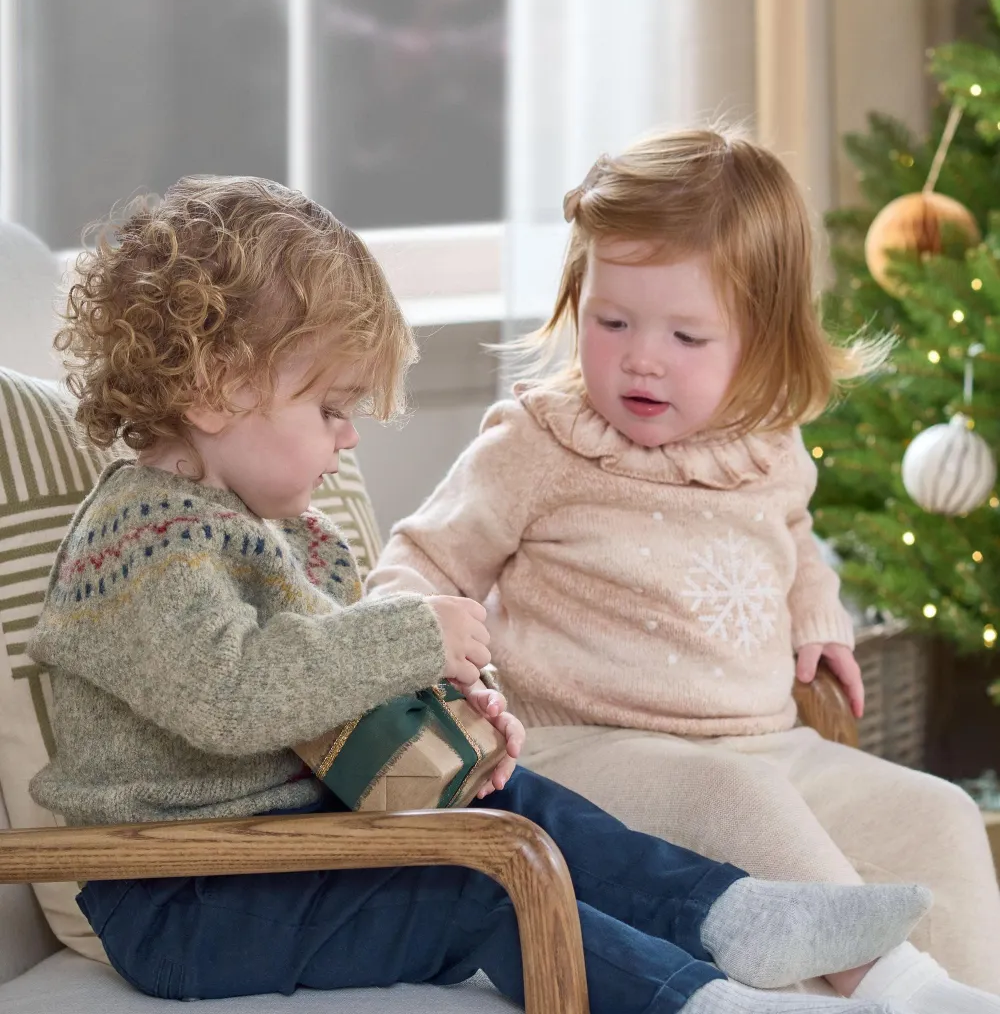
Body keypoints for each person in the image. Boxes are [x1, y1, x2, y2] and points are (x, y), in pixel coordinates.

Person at [27, 176, 923, 1013]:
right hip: (185, 897)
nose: (347, 441)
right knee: (473, 891)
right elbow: (232, 696)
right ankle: (695, 999)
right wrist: (412, 635)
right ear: (220, 393)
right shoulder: (143, 542)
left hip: (288, 848)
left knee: (516, 801)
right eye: (332, 409)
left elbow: (332, 697)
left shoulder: (285, 531)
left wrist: (450, 720)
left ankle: (733, 915)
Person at [368, 126, 1000, 1014]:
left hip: (766, 741)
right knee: (734, 794)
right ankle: (894, 987)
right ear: (576, 302)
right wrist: (424, 642)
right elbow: (420, 559)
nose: (641, 357)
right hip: (583, 751)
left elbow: (795, 536)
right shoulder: (539, 443)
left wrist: (818, 614)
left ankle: (970, 996)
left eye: (688, 335)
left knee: (935, 814)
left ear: (761, 340)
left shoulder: (769, 447)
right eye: (612, 321)